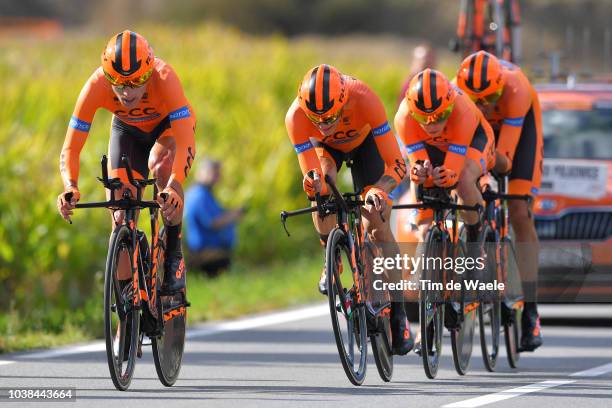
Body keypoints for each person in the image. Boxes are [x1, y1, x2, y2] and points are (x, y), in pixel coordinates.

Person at [285, 64, 413, 355]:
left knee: (376, 222)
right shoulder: (295, 117)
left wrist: (379, 190)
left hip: (366, 144)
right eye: (315, 118)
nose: (323, 124)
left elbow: (397, 164)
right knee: (321, 186)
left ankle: (399, 312)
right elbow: (313, 175)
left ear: (343, 102)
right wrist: (314, 185)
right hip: (327, 152)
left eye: (329, 117)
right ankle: (331, 257)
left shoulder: (364, 98)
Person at [56, 30, 196, 294]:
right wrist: (70, 185)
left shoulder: (165, 77)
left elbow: (186, 139)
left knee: (161, 167)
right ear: (106, 76)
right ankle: (126, 310)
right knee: (120, 212)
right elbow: (70, 147)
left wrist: (175, 185)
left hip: (167, 130)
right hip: (128, 131)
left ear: (149, 71)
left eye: (136, 81)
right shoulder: (96, 85)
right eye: (117, 82)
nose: (126, 92)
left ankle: (174, 253)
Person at [394, 69, 496, 349]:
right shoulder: (404, 117)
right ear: (412, 112)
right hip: (433, 149)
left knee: (462, 179)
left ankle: (476, 239)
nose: (431, 123)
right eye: (424, 118)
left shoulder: (462, 111)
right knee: (426, 212)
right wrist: (420, 172)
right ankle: (429, 308)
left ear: (449, 107)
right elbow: (417, 167)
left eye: (439, 116)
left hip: (473, 140)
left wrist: (445, 176)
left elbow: (452, 170)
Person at [456, 50, 543, 352]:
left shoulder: (516, 89)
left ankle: (531, 309)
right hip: (480, 130)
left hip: (516, 130)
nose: (481, 103)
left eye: (488, 96)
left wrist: (485, 173)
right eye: (474, 98)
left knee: (519, 210)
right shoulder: (459, 94)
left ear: (499, 87)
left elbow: (502, 158)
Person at [184, 159, 244, 277]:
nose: (217, 177)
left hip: (213, 253)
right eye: (213, 173)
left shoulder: (205, 193)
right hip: (206, 256)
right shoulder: (199, 195)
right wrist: (233, 216)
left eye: (218, 174)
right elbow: (212, 222)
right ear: (201, 172)